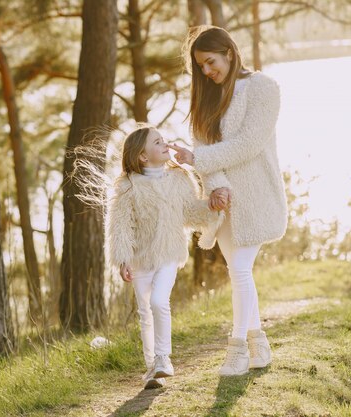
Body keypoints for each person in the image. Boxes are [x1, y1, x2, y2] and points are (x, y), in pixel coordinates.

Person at [168, 26, 288, 376]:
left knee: (239, 270)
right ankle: (259, 344)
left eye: (209, 62)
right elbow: (203, 146)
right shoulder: (206, 97)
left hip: (256, 197)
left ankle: (236, 349)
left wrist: (196, 160)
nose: (206, 72)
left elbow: (249, 144)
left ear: (229, 53)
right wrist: (216, 184)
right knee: (239, 274)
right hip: (222, 202)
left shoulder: (264, 88)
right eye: (200, 67)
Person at [106, 125, 224, 389]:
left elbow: (190, 212)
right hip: (140, 258)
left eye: (164, 140)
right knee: (145, 312)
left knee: (159, 301)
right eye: (157, 142)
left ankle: (163, 358)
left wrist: (210, 207)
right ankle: (152, 368)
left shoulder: (180, 179)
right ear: (143, 157)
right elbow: (121, 224)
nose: (165, 144)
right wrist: (123, 259)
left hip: (169, 251)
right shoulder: (128, 186)